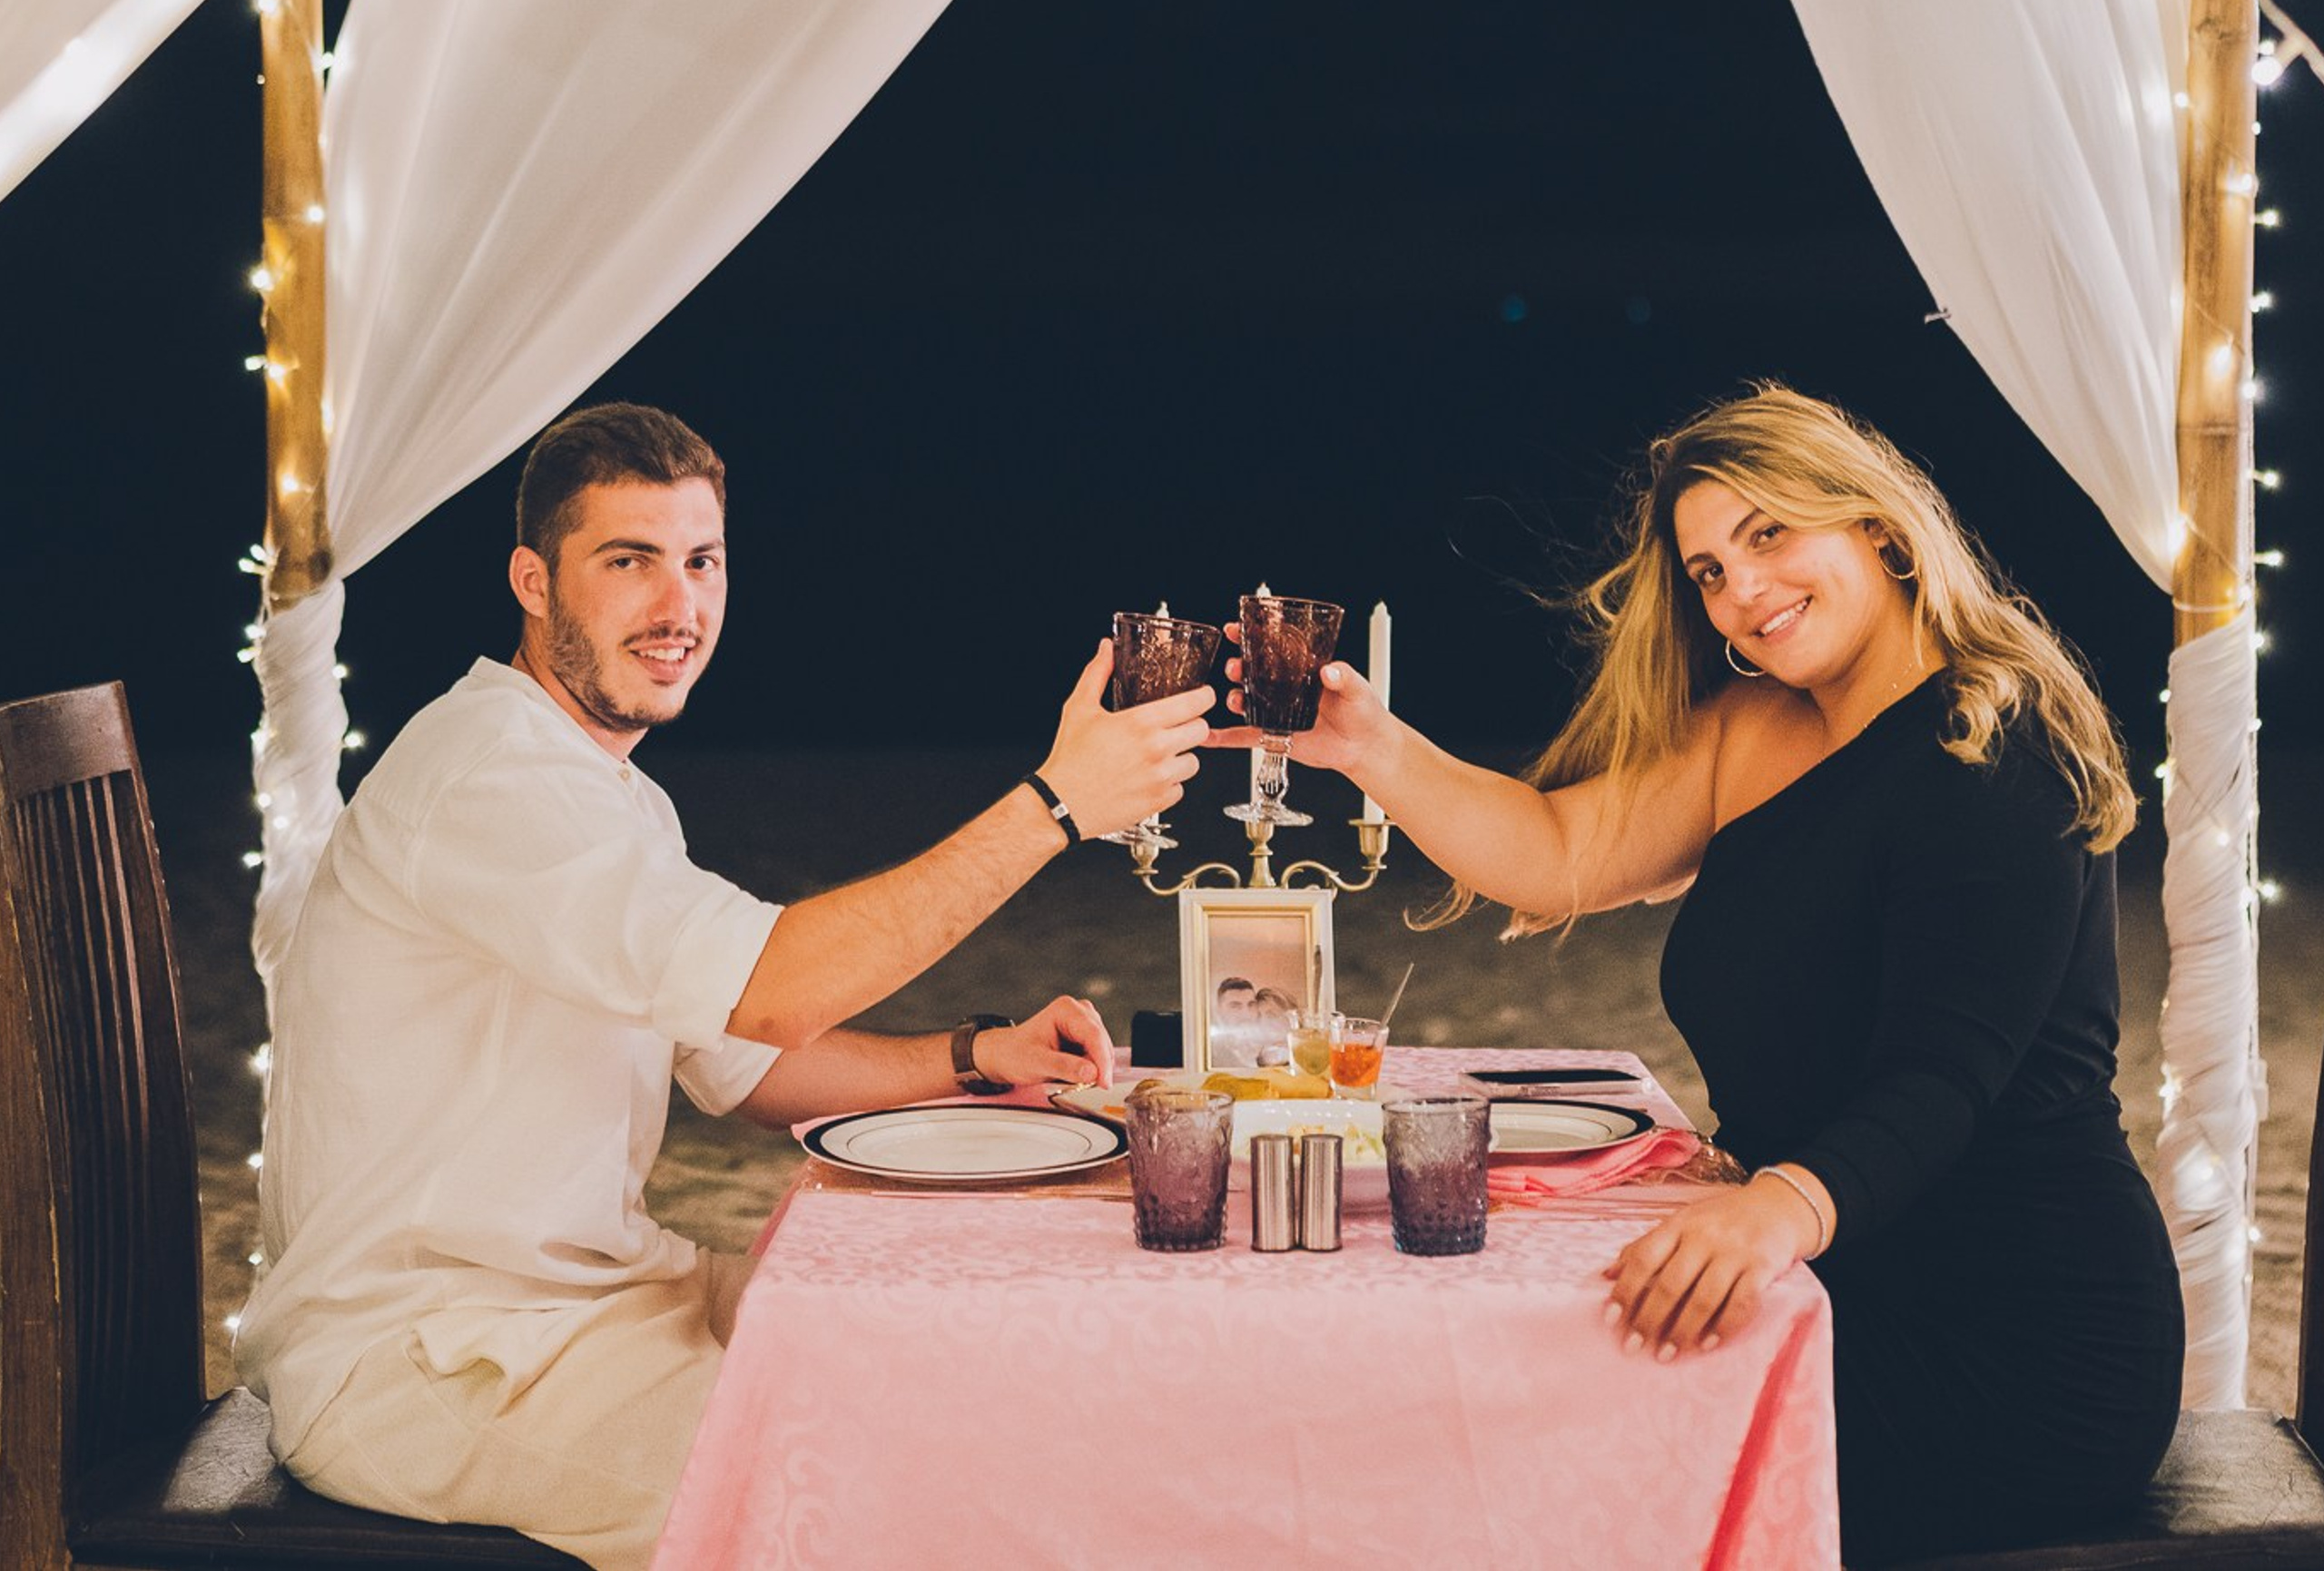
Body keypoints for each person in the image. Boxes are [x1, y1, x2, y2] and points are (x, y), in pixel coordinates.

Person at [237, 402, 1213, 1571]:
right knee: (876, 1485)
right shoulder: (491, 777)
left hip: (599, 1305)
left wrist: (969, 1057)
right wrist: (1054, 808)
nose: (678, 607)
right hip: (433, 1358)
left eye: (701, 563)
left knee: (953, 1375)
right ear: (532, 583)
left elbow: (748, 1064)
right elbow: (770, 994)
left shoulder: (608, 794)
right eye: (628, 562)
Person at [1217, 385, 2183, 1564]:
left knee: (1566, 1458)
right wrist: (1366, 745)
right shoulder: (1752, 729)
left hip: (2017, 1341)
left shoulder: (1995, 739)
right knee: (1495, 1398)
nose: (1742, 592)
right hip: (1827, 1275)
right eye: (1711, 570)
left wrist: (1773, 1209)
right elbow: (1558, 854)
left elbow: (1943, 1077)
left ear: (1878, 527)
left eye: (1768, 536)